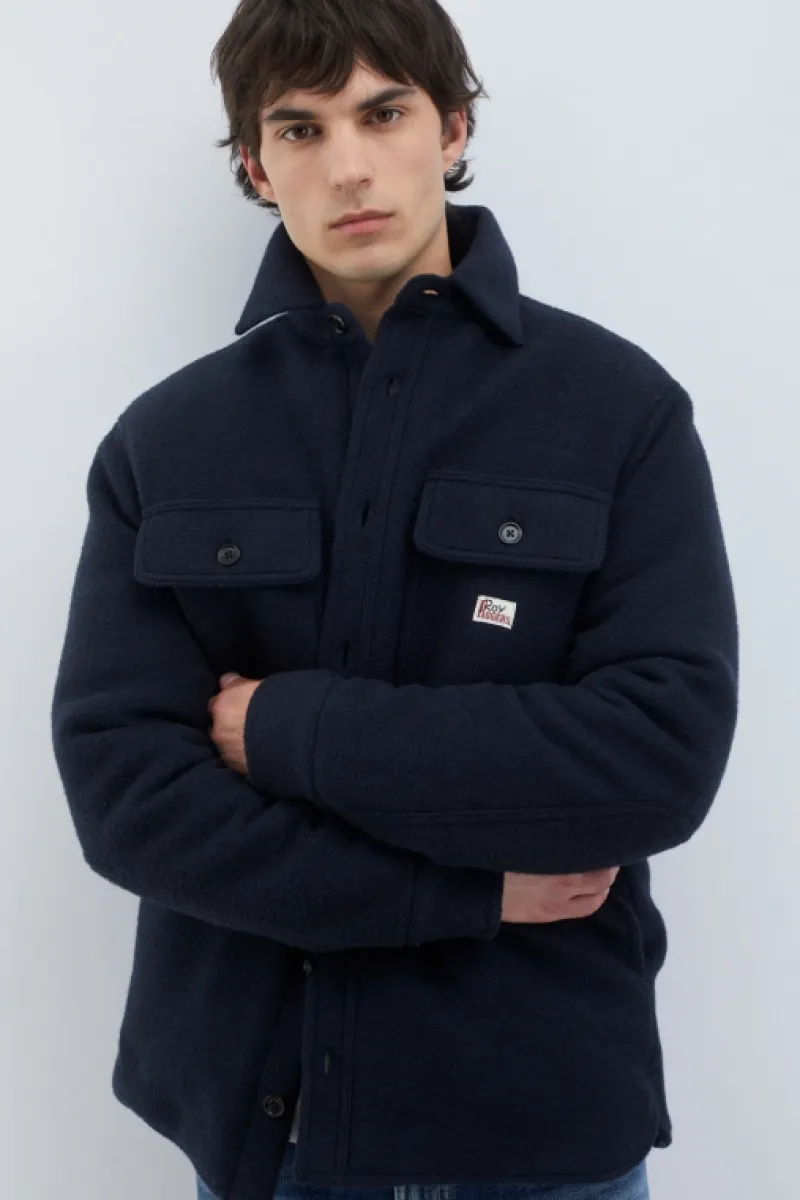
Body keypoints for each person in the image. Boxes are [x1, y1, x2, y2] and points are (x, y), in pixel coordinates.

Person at [50, 2, 739, 1199]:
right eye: (300, 130)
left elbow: (654, 761)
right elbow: (127, 802)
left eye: (382, 114)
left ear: (451, 126)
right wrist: (465, 891)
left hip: (540, 1127)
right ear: (255, 166)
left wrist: (283, 729)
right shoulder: (163, 443)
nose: (349, 167)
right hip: (269, 1138)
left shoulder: (618, 413)